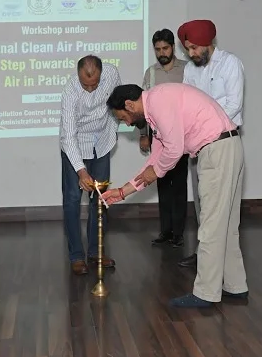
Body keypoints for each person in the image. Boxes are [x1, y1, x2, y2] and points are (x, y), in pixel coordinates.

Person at [102, 83, 247, 308]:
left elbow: (174, 150)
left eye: (123, 118)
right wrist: (122, 192)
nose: (128, 124)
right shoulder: (156, 110)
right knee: (226, 226)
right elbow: (153, 162)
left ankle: (206, 293)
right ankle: (235, 286)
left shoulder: (159, 101)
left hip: (216, 151)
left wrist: (156, 172)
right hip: (227, 146)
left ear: (129, 105)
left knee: (210, 226)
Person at [178, 19, 245, 275]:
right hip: (200, 147)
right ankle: (228, 278)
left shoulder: (230, 64)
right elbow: (186, 106)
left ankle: (210, 282)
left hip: (222, 143)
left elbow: (233, 105)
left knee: (220, 218)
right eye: (188, 49)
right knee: (204, 209)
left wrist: (202, 125)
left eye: (195, 48)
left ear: (208, 42)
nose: (191, 53)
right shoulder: (190, 70)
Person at [59, 55, 121, 275]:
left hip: (102, 142)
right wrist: (81, 171)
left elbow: (117, 102)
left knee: (101, 199)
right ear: (78, 76)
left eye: (94, 84)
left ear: (101, 74)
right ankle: (76, 255)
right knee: (72, 201)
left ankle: (96, 252)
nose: (90, 89)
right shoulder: (70, 92)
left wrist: (113, 130)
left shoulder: (112, 74)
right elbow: (68, 136)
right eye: (85, 85)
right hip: (76, 145)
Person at [140, 29, 188, 247]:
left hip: (181, 135)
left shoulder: (186, 70)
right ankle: (165, 231)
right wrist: (143, 134)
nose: (162, 53)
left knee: (178, 184)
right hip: (158, 137)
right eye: (158, 49)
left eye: (165, 48)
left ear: (173, 48)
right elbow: (144, 107)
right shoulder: (150, 73)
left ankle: (178, 233)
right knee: (162, 182)